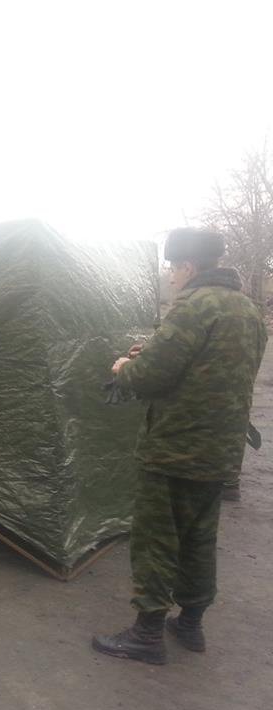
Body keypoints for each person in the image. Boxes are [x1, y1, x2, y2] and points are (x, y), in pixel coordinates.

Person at [92, 227, 266, 664]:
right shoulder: (248, 311)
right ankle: (190, 624)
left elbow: (151, 377)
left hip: (174, 448)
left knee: (155, 538)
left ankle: (147, 634)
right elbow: (215, 370)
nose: (170, 276)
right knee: (199, 537)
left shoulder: (192, 306)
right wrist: (150, 353)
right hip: (220, 452)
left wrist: (125, 366)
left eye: (173, 267)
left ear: (188, 266)